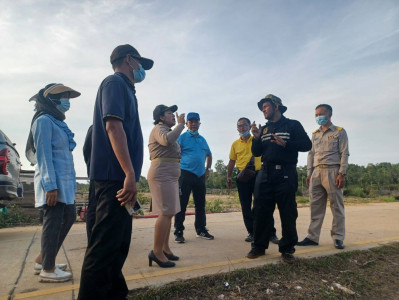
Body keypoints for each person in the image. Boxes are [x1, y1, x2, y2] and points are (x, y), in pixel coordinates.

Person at [78, 44, 153, 300]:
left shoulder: (127, 90)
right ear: (129, 60)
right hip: (115, 181)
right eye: (140, 63)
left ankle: (115, 294)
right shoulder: (115, 83)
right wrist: (129, 174)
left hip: (113, 179)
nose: (142, 70)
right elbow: (112, 127)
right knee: (103, 251)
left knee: (116, 247)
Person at [247, 94, 312, 264]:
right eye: (262, 108)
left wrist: (286, 144)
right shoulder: (265, 129)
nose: (263, 110)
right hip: (266, 173)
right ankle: (259, 247)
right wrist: (256, 137)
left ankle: (287, 249)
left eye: (266, 106)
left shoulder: (292, 125)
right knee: (260, 211)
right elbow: (257, 153)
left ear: (276, 106)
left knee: (288, 212)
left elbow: (307, 145)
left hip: (286, 173)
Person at [26, 83, 80, 282]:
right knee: (53, 222)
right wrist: (50, 186)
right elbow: (44, 155)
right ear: (51, 99)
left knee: (68, 217)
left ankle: (43, 260)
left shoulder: (55, 121)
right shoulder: (43, 121)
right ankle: (48, 270)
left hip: (63, 183)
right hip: (53, 183)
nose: (66, 101)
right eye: (63, 96)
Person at [297, 104, 349, 249]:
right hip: (316, 172)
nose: (318, 117)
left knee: (336, 206)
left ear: (330, 114)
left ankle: (338, 237)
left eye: (321, 113)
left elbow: (344, 153)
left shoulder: (339, 132)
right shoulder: (315, 134)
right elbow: (311, 154)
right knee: (315, 206)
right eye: (316, 115)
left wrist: (341, 173)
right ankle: (312, 237)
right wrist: (309, 173)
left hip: (333, 171)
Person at [227, 117, 279, 244]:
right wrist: (228, 176)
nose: (242, 128)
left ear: (250, 127)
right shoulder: (235, 144)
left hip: (258, 175)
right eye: (239, 126)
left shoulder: (257, 139)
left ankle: (271, 233)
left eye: (244, 125)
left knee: (263, 204)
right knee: (245, 205)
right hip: (242, 177)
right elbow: (232, 161)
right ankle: (252, 232)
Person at [147, 105, 185, 268]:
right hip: (162, 174)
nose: (174, 116)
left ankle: (165, 248)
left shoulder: (166, 129)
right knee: (165, 212)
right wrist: (181, 126)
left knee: (170, 213)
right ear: (161, 117)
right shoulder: (159, 129)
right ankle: (156, 251)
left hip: (170, 174)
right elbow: (166, 140)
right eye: (170, 113)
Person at [174, 112, 213, 243]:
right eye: (191, 121)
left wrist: (207, 169)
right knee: (181, 204)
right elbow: (174, 153)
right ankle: (178, 231)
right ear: (186, 124)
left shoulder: (202, 139)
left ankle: (201, 229)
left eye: (196, 121)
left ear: (199, 124)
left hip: (200, 175)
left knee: (200, 204)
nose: (194, 124)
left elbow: (209, 155)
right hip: (185, 174)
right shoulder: (182, 138)